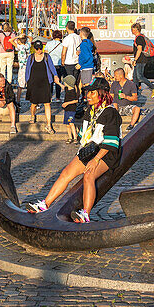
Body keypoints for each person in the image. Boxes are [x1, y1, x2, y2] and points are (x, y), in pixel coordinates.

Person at [24, 78, 120, 223]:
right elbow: (84, 135)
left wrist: (95, 160)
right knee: (66, 173)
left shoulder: (110, 113)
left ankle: (85, 214)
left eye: (92, 93)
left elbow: (112, 142)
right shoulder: (90, 110)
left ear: (101, 94)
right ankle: (45, 204)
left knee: (89, 175)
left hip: (106, 154)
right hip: (90, 150)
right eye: (88, 92)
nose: (88, 95)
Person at [25, 39, 59, 132]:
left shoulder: (47, 56)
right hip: (34, 83)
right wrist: (27, 81)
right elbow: (27, 70)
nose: (39, 50)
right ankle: (32, 115)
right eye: (37, 49)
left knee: (47, 103)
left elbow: (52, 67)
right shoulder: (31, 57)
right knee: (34, 104)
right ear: (34, 49)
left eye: (40, 48)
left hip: (45, 82)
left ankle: (48, 125)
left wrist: (55, 76)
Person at [129, 23, 154, 98]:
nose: (131, 31)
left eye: (132, 29)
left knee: (140, 77)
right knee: (135, 78)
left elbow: (139, 50)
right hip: (141, 60)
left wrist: (135, 60)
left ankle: (153, 87)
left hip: (140, 60)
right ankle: (135, 93)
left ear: (136, 29)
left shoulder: (139, 38)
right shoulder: (141, 37)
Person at [60, 74, 81, 144]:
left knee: (71, 123)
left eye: (65, 82)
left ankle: (75, 138)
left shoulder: (72, 91)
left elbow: (76, 100)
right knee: (67, 124)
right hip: (67, 110)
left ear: (68, 83)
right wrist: (58, 83)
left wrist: (67, 103)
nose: (64, 83)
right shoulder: (67, 89)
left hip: (71, 110)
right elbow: (63, 87)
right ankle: (70, 137)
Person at [59, 20, 82, 86]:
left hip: (68, 62)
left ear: (66, 28)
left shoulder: (67, 38)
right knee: (75, 82)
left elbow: (64, 52)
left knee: (69, 83)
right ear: (74, 28)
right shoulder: (78, 37)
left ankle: (69, 95)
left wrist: (62, 62)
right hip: (77, 62)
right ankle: (76, 95)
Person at [45, 29, 64, 100]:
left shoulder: (48, 44)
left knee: (50, 81)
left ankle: (49, 97)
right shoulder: (62, 45)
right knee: (58, 81)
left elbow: (46, 54)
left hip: (50, 65)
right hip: (59, 65)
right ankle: (58, 97)